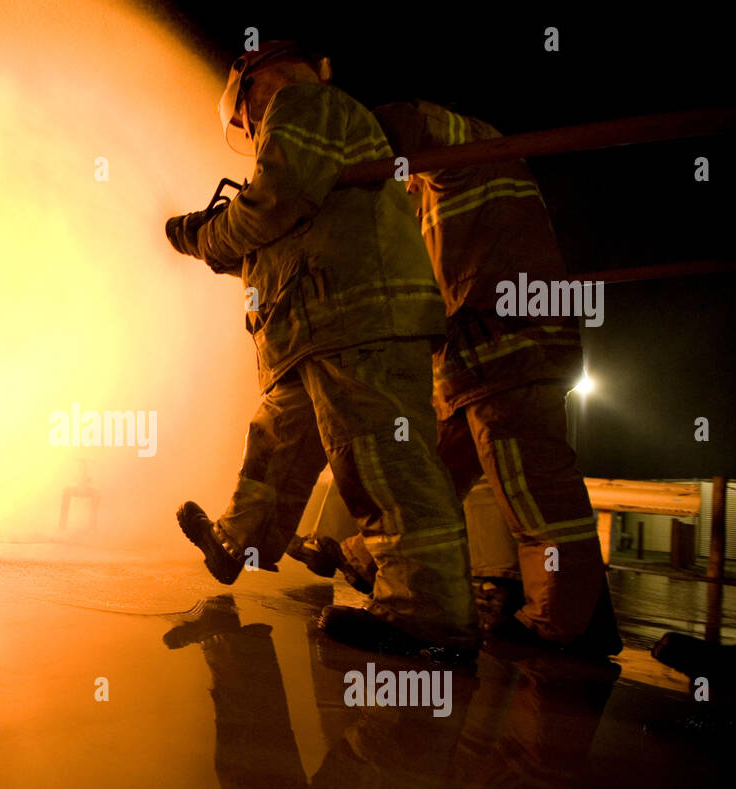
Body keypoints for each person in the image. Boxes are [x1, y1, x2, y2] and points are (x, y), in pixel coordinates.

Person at [166, 42, 475, 654]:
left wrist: (205, 236)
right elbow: (285, 231)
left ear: (252, 88)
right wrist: (221, 244)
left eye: (242, 119)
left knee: (380, 459)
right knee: (277, 443)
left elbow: (276, 200)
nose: (248, 131)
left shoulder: (301, 103)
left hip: (358, 319)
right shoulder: (313, 124)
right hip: (315, 326)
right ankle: (241, 542)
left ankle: (429, 613)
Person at [291, 99, 620, 657]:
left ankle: (569, 621)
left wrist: (324, 152)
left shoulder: (469, 154)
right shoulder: (434, 192)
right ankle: (366, 559)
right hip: (482, 353)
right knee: (436, 471)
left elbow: (408, 124)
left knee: (534, 488)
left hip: (510, 344)